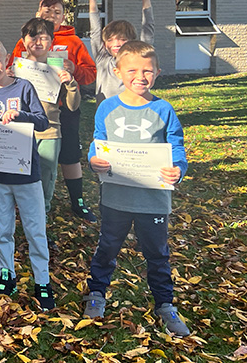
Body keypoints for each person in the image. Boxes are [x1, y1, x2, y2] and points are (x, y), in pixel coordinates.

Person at [83, 41, 190, 337]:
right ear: (117, 71)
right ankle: (96, 293)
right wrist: (94, 160)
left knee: (157, 252)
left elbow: (176, 148)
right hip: (116, 196)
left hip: (153, 200)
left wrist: (178, 170)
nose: (140, 76)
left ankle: (165, 303)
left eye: (148, 70)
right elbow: (98, 141)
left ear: (157, 72)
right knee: (108, 246)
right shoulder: (107, 107)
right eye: (132, 70)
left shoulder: (163, 109)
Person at [0, 34, 54, 310]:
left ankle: (42, 280)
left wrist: (23, 116)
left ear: (7, 60)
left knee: (35, 230)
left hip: (26, 173)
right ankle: (8, 274)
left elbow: (42, 122)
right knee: (2, 230)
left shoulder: (24, 87)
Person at [11, 0, 97, 223]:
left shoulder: (74, 42)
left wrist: (73, 70)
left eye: (57, 12)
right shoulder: (25, 42)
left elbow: (90, 74)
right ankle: (19, 205)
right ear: (38, 12)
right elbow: (12, 70)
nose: (52, 16)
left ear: (63, 16)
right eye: (47, 12)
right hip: (27, 114)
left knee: (67, 156)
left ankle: (76, 201)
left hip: (58, 113)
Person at [87, 0, 154, 105]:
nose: (116, 44)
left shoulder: (138, 58)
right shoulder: (103, 59)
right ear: (105, 44)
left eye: (122, 39)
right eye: (110, 40)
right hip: (107, 115)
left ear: (131, 42)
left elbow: (148, 26)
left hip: (134, 111)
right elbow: (95, 29)